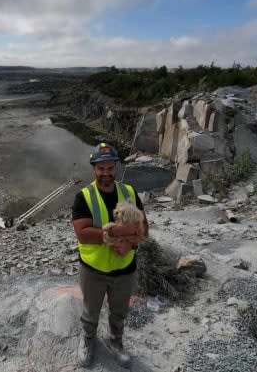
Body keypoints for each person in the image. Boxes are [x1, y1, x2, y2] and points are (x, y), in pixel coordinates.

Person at [72, 142, 148, 368]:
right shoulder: (84, 197)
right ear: (94, 169)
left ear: (116, 167)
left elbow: (144, 228)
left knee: (119, 311)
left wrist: (131, 245)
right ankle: (87, 339)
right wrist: (118, 232)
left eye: (110, 168)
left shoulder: (130, 193)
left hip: (125, 270)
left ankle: (116, 341)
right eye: (100, 169)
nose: (106, 173)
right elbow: (83, 235)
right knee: (91, 310)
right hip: (94, 270)